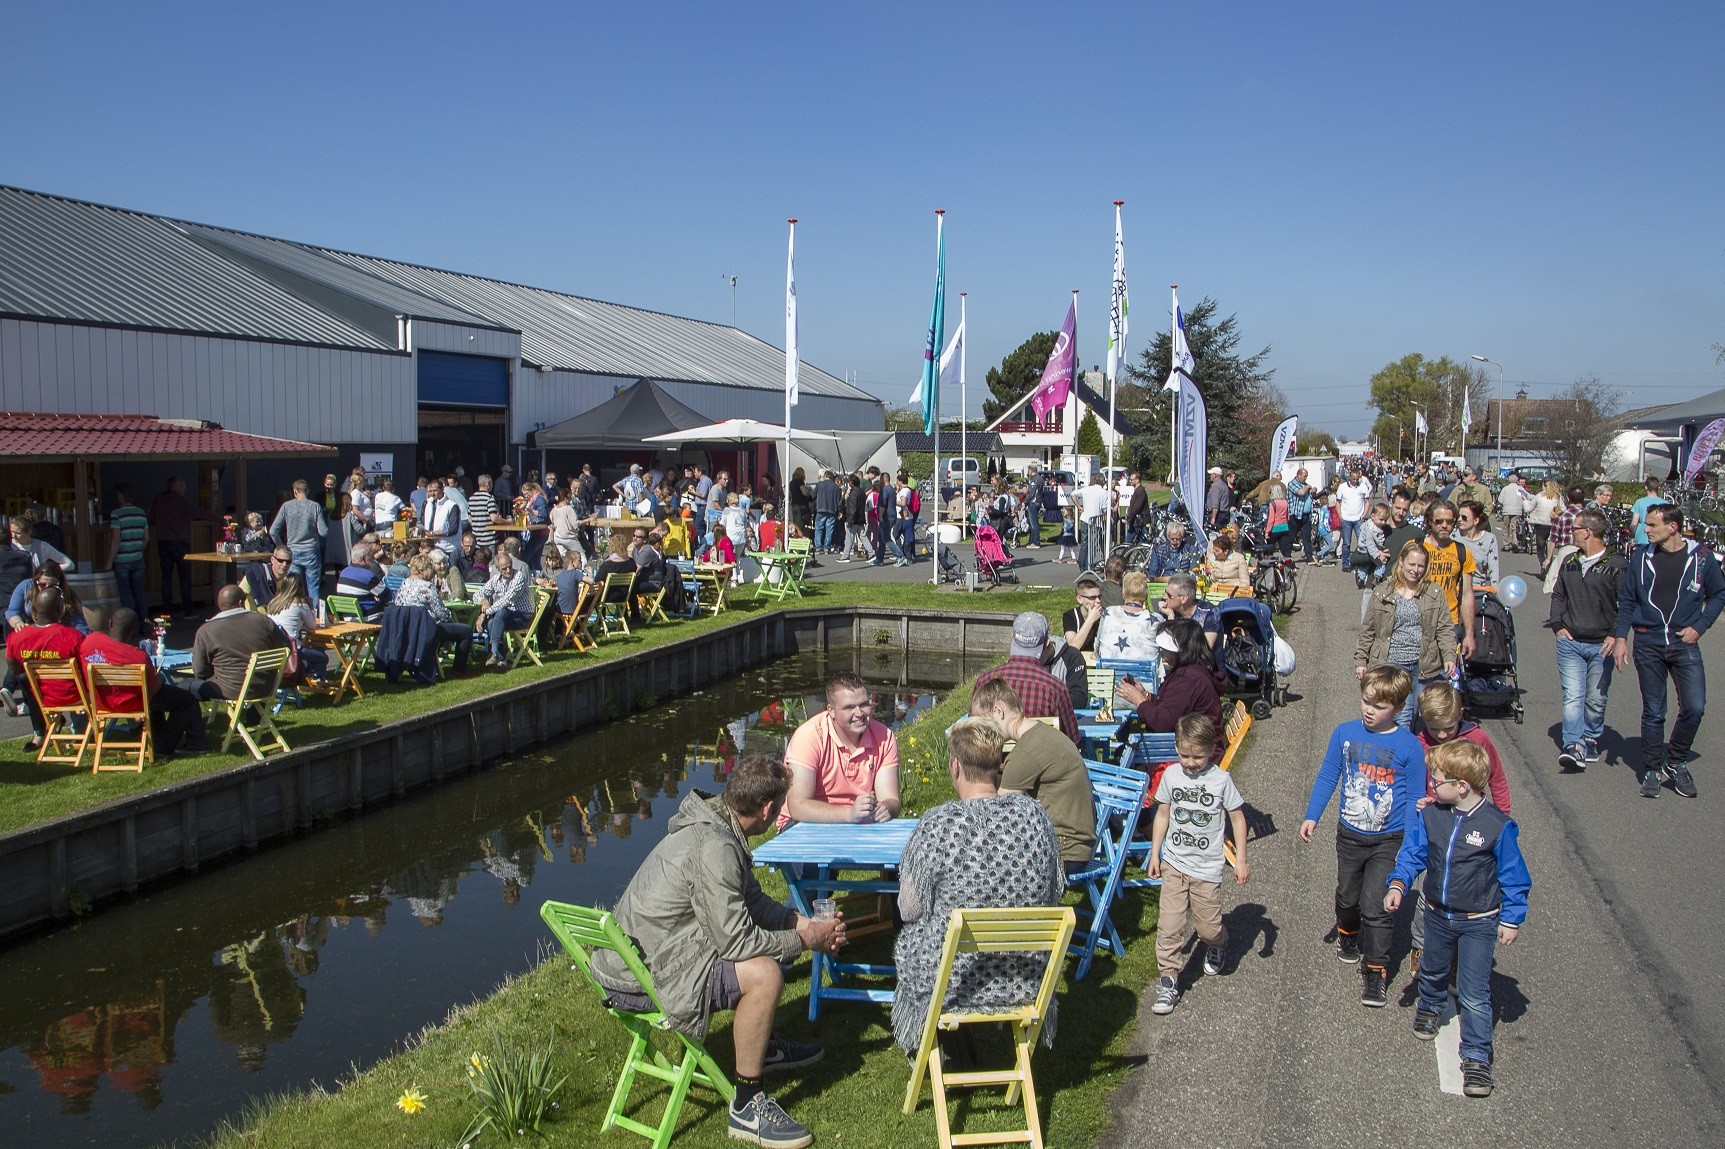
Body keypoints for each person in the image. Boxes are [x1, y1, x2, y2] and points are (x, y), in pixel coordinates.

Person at [588, 755, 839, 1149]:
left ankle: (763, 1045)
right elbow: (736, 943)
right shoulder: (716, 847)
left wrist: (805, 924)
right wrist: (807, 941)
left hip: (642, 956)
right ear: (768, 809)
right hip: (643, 976)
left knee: (771, 948)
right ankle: (747, 1106)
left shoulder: (717, 821)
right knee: (765, 972)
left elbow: (753, 902)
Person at [891, 717, 1063, 1057]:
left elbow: (909, 909)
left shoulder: (938, 825)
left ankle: (928, 1048)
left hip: (956, 978)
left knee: (912, 938)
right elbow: (1054, 889)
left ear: (955, 765)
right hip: (1025, 970)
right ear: (999, 765)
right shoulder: (1035, 817)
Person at [1385, 739, 1530, 1098]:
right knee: (1432, 969)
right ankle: (1430, 1007)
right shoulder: (1432, 815)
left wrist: (1511, 919)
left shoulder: (1497, 826)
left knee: (1475, 992)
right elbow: (1414, 853)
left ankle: (1478, 1056)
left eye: (1437, 781)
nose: (1432, 786)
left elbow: (1515, 875)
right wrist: (1399, 883)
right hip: (1436, 913)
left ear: (1461, 786)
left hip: (1479, 921)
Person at [1299, 665, 1426, 1008]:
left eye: (1379, 705)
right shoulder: (1345, 734)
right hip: (1350, 836)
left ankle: (1376, 971)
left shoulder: (1410, 748)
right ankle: (1347, 933)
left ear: (1398, 708)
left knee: (1376, 906)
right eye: (1366, 701)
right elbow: (1329, 775)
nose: (1369, 710)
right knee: (1347, 896)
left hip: (1389, 839)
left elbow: (1415, 799)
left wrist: (1412, 849)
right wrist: (1313, 815)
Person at [1613, 504, 1725, 799]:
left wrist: (1700, 626)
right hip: (1648, 643)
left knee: (1695, 706)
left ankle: (1675, 760)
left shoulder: (1702, 559)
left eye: (1651, 525)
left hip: (1683, 643)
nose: (1645, 530)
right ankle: (1651, 768)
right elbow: (1627, 601)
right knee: (1654, 710)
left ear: (1672, 527)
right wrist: (1621, 638)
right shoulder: (1641, 557)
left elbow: (1718, 595)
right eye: (1646, 525)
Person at [1147, 713, 1249, 1015]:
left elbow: (1237, 818)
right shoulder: (1172, 777)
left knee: (1207, 928)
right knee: (1169, 926)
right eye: (1184, 755)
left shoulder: (1220, 780)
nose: (1190, 762)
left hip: (1206, 869)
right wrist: (1156, 853)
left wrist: (1240, 858)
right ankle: (1168, 981)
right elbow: (1162, 814)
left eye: (1198, 757)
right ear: (1177, 748)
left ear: (1211, 751)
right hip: (1175, 864)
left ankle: (1218, 943)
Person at [969, 678, 1096, 873]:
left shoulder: (1026, 752)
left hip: (1064, 850)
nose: (983, 732)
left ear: (998, 712)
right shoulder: (1043, 734)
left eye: (983, 723)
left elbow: (992, 815)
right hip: (1077, 843)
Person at [1546, 510, 1627, 772]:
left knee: (1595, 699)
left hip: (1601, 645)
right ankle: (1573, 744)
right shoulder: (1570, 560)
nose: (1572, 533)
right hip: (1570, 642)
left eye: (1575, 529)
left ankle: (1590, 736)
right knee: (1572, 696)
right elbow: (1558, 595)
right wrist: (1557, 624)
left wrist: (1615, 634)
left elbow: (1625, 604)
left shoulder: (1617, 564)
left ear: (1587, 532)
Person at [1356, 540, 1457, 730]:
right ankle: (1399, 756)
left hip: (1423, 665)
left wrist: (1449, 655)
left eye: (1421, 566)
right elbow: (1367, 630)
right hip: (1392, 663)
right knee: (1402, 717)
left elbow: (1444, 628)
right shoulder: (1383, 592)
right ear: (1401, 562)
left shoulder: (1434, 593)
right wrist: (1361, 660)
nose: (1416, 570)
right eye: (1412, 564)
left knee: (1422, 714)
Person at [780, 672, 901, 827]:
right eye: (849, 707)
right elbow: (797, 806)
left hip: (859, 822)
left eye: (864, 704)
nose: (859, 713)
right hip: (802, 825)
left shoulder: (884, 736)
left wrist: (886, 808)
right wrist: (849, 813)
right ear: (831, 711)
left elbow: (891, 799)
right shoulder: (809, 736)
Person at [81, 607, 206, 756]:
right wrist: (158, 678)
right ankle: (174, 746)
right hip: (133, 702)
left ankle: (155, 739)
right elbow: (152, 690)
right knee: (186, 700)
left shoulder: (90, 642)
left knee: (160, 699)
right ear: (134, 630)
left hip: (100, 701)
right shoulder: (137, 656)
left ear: (110, 623)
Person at [974, 612, 1080, 744]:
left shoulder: (984, 681)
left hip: (996, 762)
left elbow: (973, 731)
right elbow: (1072, 741)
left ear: (1011, 638)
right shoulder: (1055, 688)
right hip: (1039, 762)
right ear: (1046, 644)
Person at [1118, 619, 1226, 745]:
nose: (1161, 651)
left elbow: (1161, 723)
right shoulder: (1193, 671)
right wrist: (1144, 694)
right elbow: (1173, 707)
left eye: (1164, 648)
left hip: (1194, 752)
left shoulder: (1188, 680)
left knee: (1122, 751)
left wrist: (1138, 700)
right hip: (1193, 744)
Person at [4, 587, 84, 750]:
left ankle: (45, 732)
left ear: (34, 609)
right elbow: (84, 667)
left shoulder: (16, 638)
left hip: (40, 698)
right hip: (73, 696)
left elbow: (14, 670)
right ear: (60, 609)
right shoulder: (73, 637)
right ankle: (82, 736)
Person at [189, 585, 290, 702]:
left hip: (230, 690)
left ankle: (192, 721)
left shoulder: (206, 630)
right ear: (241, 602)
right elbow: (286, 648)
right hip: (266, 686)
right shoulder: (264, 621)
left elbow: (200, 671)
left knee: (185, 687)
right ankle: (255, 717)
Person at [148, 476, 222, 614]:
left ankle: (167, 611)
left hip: (163, 543)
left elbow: (150, 519)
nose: (184, 489)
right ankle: (188, 610)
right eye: (183, 486)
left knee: (166, 579)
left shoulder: (158, 499)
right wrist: (220, 519)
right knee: (185, 578)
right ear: (177, 487)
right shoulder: (180, 500)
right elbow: (198, 512)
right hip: (181, 544)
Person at [393, 554, 474, 675]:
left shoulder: (404, 584)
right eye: (431, 567)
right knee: (466, 631)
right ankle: (459, 669)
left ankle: (435, 654)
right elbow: (442, 614)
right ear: (422, 570)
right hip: (426, 630)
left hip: (406, 629)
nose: (433, 570)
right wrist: (450, 617)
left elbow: (397, 604)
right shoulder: (427, 587)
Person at [1420, 500, 1478, 662]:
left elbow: (1467, 595)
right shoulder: (1415, 548)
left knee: (1444, 682)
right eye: (1439, 521)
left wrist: (1469, 634)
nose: (1444, 525)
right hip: (1418, 622)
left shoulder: (1462, 552)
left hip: (1449, 624)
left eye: (1449, 521)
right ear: (1430, 521)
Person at [270, 479, 329, 606]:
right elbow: (324, 532)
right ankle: (315, 617)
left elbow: (273, 531)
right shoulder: (315, 506)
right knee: (313, 587)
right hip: (312, 551)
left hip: (292, 551)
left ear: (295, 492)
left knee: (292, 586)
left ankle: (294, 612)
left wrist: (282, 547)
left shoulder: (287, 506)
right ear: (308, 491)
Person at [264, 571, 330, 682]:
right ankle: (316, 678)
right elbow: (312, 625)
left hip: (275, 648)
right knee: (322, 657)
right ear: (300, 587)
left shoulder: (273, 603)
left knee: (310, 650)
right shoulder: (299, 603)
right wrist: (311, 607)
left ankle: (307, 673)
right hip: (292, 650)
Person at [475, 551, 532, 669]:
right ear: (498, 569)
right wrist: (484, 601)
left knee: (501, 612)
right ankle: (500, 660)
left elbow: (506, 600)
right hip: (506, 615)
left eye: (510, 567)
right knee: (492, 621)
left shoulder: (519, 576)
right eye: (504, 568)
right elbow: (478, 593)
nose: (508, 570)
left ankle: (494, 653)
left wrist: (483, 614)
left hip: (523, 616)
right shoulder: (496, 579)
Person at [1094, 571, 1162, 664]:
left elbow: (1097, 647)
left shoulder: (1108, 613)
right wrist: (1170, 616)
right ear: (1146, 595)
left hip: (1110, 674)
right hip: (1144, 676)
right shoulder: (1157, 619)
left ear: (1123, 593)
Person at [106, 483, 151, 619]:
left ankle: (128, 624)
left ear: (121, 495)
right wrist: (138, 550)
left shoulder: (116, 514)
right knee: (139, 592)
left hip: (122, 561)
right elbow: (147, 538)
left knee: (124, 594)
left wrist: (110, 561)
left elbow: (116, 539)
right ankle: (144, 623)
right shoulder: (141, 513)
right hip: (138, 559)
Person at [1157, 572, 1220, 648]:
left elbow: (1205, 650)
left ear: (1184, 598)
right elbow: (1165, 644)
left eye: (1169, 595)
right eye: (1165, 593)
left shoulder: (1209, 614)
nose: (1164, 597)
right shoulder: (1170, 611)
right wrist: (1170, 617)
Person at [335, 541, 391, 621]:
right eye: (370, 556)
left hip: (348, 617)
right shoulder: (367, 576)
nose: (372, 559)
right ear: (364, 558)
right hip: (366, 617)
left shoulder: (343, 573)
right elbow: (387, 596)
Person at [1335, 465, 1373, 571]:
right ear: (1349, 477)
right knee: (1346, 543)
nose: (1355, 481)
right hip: (1346, 519)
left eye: (1357, 479)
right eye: (1353, 479)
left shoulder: (1363, 486)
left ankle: (1362, 563)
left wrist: (1364, 514)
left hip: (1358, 519)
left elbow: (1366, 501)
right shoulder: (1342, 487)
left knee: (1362, 542)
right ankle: (1345, 564)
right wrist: (1340, 516)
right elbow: (1338, 502)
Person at [417, 478, 463, 563]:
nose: (432, 493)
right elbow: (423, 523)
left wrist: (433, 533)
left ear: (442, 490)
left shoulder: (452, 506)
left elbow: (453, 529)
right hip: (431, 547)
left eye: (435, 490)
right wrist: (418, 529)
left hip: (448, 549)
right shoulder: (427, 504)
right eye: (430, 491)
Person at [1455, 500, 1499, 588]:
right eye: (1458, 516)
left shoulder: (1489, 539)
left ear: (1475, 520)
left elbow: (1494, 568)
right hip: (1455, 589)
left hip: (1478, 589)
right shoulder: (1452, 536)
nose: (1459, 520)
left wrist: (1494, 587)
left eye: (1464, 517)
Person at [1062, 573, 1105, 656]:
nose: (1098, 601)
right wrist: (1090, 620)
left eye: (1099, 597)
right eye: (1092, 598)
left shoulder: (1104, 616)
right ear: (1079, 599)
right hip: (1075, 662)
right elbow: (1073, 647)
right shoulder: (1070, 616)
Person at [1077, 474, 1110, 572]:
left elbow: (1073, 494)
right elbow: (1105, 508)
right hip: (1095, 522)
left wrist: (1079, 506)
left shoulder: (1087, 489)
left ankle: (1082, 566)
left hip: (1084, 519)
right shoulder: (1103, 493)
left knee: (1084, 544)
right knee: (1093, 545)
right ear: (1103, 482)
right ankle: (1088, 565)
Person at [1526, 480, 1563, 568]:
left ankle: (1543, 565)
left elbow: (1528, 509)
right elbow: (1563, 509)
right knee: (1550, 546)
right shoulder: (1558, 497)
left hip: (1540, 524)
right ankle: (1549, 562)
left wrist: (1525, 502)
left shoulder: (1539, 496)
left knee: (1540, 548)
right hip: (1553, 524)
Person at [1629, 476, 1669, 547]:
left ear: (1646, 487)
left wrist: (1632, 536)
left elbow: (1634, 523)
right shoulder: (1666, 503)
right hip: (1659, 538)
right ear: (1658, 487)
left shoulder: (1639, 502)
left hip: (1642, 538)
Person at [1497, 473, 1529, 553]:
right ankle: (1515, 543)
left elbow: (1500, 500)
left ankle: (1506, 545)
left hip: (1506, 510)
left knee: (1505, 528)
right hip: (1517, 511)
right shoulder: (1519, 489)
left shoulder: (1505, 489)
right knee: (1514, 528)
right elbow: (1526, 497)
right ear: (1517, 480)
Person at [812, 470, 842, 554]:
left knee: (818, 529)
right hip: (831, 510)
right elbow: (838, 500)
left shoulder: (819, 484)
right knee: (829, 529)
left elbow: (813, 496)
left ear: (825, 476)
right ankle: (826, 547)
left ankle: (818, 547)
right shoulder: (835, 486)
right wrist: (839, 511)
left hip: (821, 509)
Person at [1204, 466, 1232, 534]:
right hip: (1225, 514)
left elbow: (1215, 504)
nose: (1210, 476)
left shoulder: (1216, 486)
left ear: (1215, 475)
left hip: (1218, 515)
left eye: (1211, 474)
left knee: (1215, 535)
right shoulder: (1224, 485)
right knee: (1223, 534)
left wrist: (1213, 518)